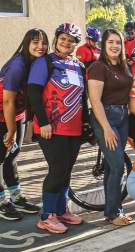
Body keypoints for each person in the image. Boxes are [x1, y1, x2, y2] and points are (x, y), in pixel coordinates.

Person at [27, 23, 89, 234]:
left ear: (75, 44)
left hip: (73, 128)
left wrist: (86, 124)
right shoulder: (45, 61)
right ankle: (46, 216)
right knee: (57, 170)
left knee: (66, 170)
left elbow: (83, 98)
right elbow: (33, 92)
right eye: (63, 38)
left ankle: (61, 210)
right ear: (56, 40)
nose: (66, 42)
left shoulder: (79, 66)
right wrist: (43, 122)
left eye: (71, 40)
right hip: (51, 128)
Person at [87, 28, 134, 226]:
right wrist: (106, 128)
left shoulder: (123, 66)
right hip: (105, 117)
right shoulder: (98, 67)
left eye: (118, 42)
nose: (115, 46)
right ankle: (114, 213)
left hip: (123, 116)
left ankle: (110, 210)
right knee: (117, 166)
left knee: (110, 167)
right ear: (104, 45)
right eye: (110, 42)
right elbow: (95, 100)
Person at [0, 28, 47, 220]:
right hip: (3, 112)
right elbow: (8, 101)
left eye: (43, 42)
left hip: (15, 114)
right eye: (35, 42)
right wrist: (10, 130)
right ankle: (2, 201)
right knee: (1, 156)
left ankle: (16, 196)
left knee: (13, 154)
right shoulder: (18, 65)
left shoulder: (37, 62)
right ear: (27, 44)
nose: (40, 46)